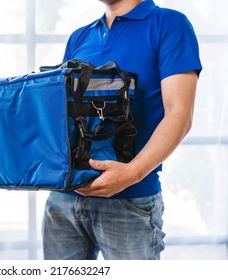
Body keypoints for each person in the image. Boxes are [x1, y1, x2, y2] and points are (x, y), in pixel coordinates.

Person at [42, 0, 202, 260]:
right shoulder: (80, 37)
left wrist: (133, 172)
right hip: (64, 199)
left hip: (129, 199)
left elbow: (180, 113)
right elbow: (65, 116)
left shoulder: (169, 24)